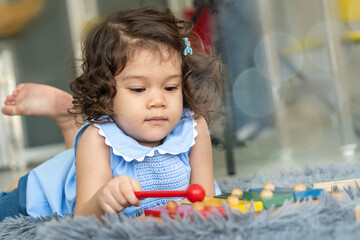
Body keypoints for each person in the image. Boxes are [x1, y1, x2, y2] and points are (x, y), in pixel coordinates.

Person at [0, 6, 223, 221]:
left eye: (171, 88)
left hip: (80, 165)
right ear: (104, 91)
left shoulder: (193, 127)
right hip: (38, 192)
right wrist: (101, 200)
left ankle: (70, 124)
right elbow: (83, 220)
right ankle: (70, 123)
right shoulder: (97, 138)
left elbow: (204, 201)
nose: (158, 101)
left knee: (77, 163)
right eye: (138, 89)